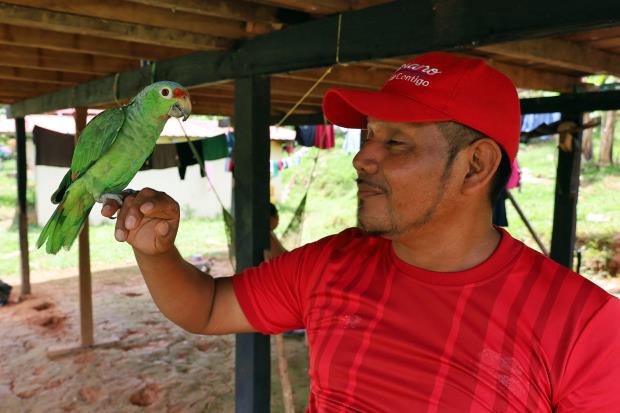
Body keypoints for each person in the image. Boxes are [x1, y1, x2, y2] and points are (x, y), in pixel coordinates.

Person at [102, 52, 620, 412]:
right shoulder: (333, 262)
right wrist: (157, 252)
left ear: (475, 166)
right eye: (369, 135)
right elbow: (210, 308)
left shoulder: (586, 327)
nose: (361, 157)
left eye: (397, 144)